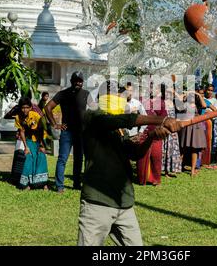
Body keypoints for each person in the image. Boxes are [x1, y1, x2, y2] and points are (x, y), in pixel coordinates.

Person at [77, 80, 183, 246]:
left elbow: (135, 154)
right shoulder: (93, 116)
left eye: (121, 96)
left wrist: (151, 137)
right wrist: (162, 119)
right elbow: (125, 119)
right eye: (116, 96)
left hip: (124, 202)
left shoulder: (120, 129)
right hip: (97, 205)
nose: (121, 100)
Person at [45, 71, 89, 193]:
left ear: (83, 82)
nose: (78, 83)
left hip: (80, 132)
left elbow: (94, 110)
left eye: (80, 81)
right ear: (71, 81)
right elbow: (48, 107)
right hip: (67, 132)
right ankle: (59, 186)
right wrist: (55, 124)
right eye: (75, 80)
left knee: (79, 159)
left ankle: (76, 183)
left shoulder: (86, 94)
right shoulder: (63, 94)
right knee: (62, 158)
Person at [15, 97, 49, 190]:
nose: (24, 110)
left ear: (30, 107)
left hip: (39, 140)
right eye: (22, 107)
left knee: (41, 157)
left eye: (27, 107)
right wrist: (26, 147)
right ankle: (28, 184)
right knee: (29, 158)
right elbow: (21, 132)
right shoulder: (18, 117)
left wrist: (42, 145)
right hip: (29, 141)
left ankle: (43, 183)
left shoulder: (36, 115)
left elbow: (43, 130)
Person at [137, 83, 167, 186]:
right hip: (143, 132)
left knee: (156, 156)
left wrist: (160, 129)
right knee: (142, 156)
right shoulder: (141, 100)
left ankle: (156, 179)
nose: (151, 89)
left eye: (154, 88)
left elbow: (164, 117)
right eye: (150, 87)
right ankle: (142, 179)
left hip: (156, 133)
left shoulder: (161, 103)